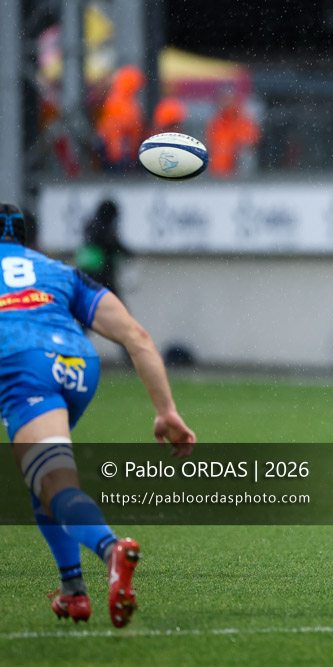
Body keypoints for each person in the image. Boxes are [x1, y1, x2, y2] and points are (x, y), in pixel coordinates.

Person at [0, 202, 196, 627]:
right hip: (78, 367)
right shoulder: (58, 271)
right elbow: (136, 337)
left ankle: (112, 550)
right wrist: (166, 412)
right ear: (27, 239)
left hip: (25, 367)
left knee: (54, 481)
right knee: (43, 482)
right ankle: (73, 592)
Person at [95, 65, 146, 172]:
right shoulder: (120, 100)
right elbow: (121, 126)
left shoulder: (127, 99)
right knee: (116, 171)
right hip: (116, 147)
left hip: (120, 146)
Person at [76, 199, 129, 297]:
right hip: (102, 272)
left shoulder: (90, 224)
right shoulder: (106, 227)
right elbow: (113, 245)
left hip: (86, 270)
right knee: (114, 301)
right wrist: (128, 253)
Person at [205, 90, 260, 177]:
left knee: (245, 155)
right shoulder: (216, 121)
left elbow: (249, 139)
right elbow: (210, 142)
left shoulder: (243, 119)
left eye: (228, 100)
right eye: (223, 100)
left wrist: (235, 147)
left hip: (235, 164)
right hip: (217, 166)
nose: (225, 103)